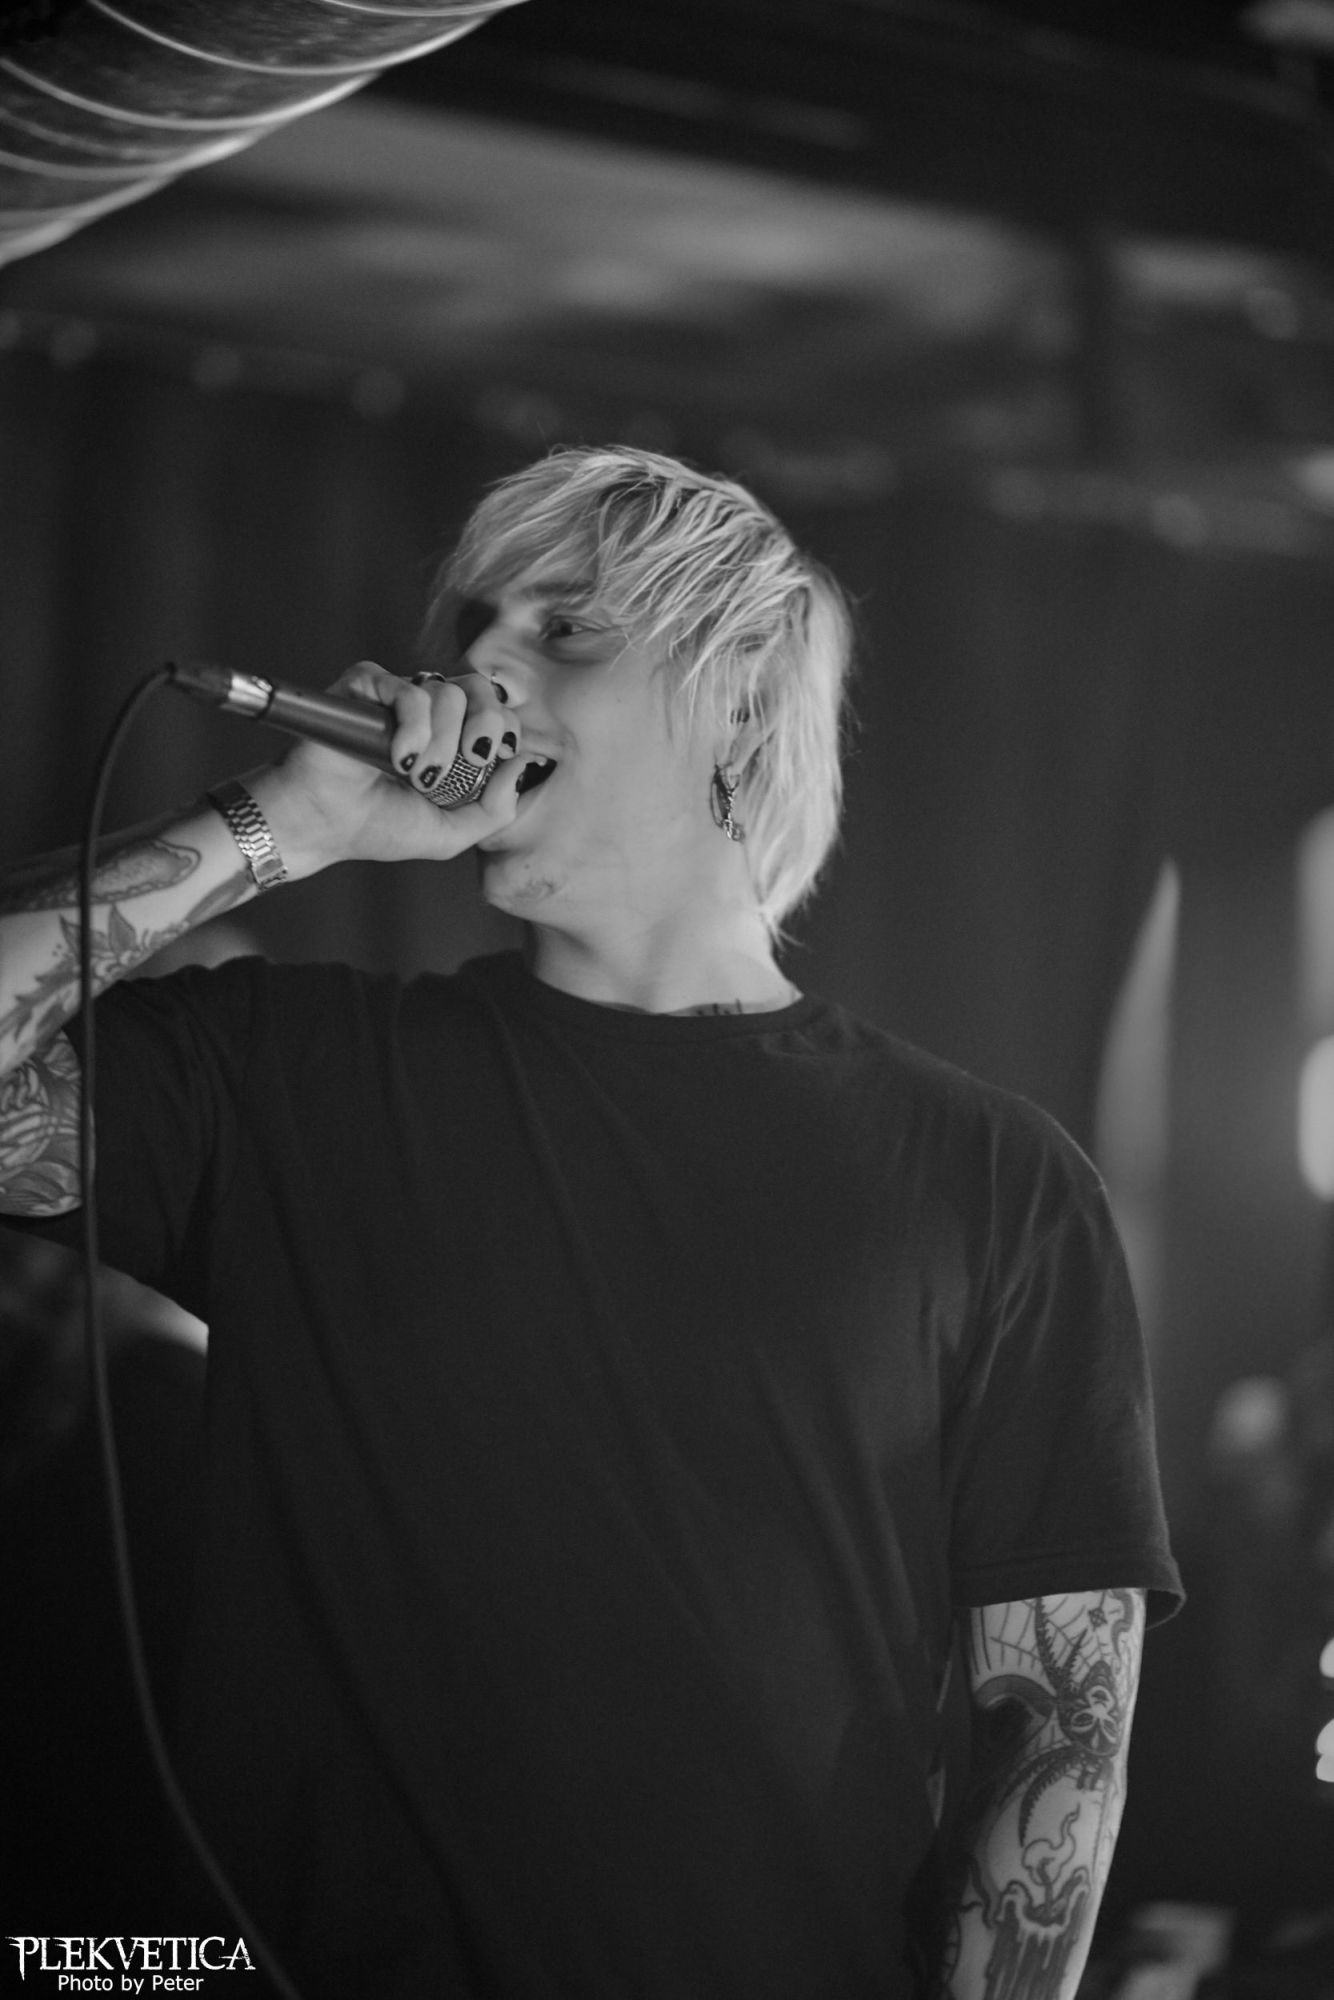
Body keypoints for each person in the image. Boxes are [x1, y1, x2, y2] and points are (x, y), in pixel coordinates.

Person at [0, 445, 1181, 1999]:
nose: (480, 659)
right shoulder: (292, 1073)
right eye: (474, 624)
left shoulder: (988, 1182)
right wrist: (284, 821)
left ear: (738, 699)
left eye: (565, 629)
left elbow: (1055, 1741)